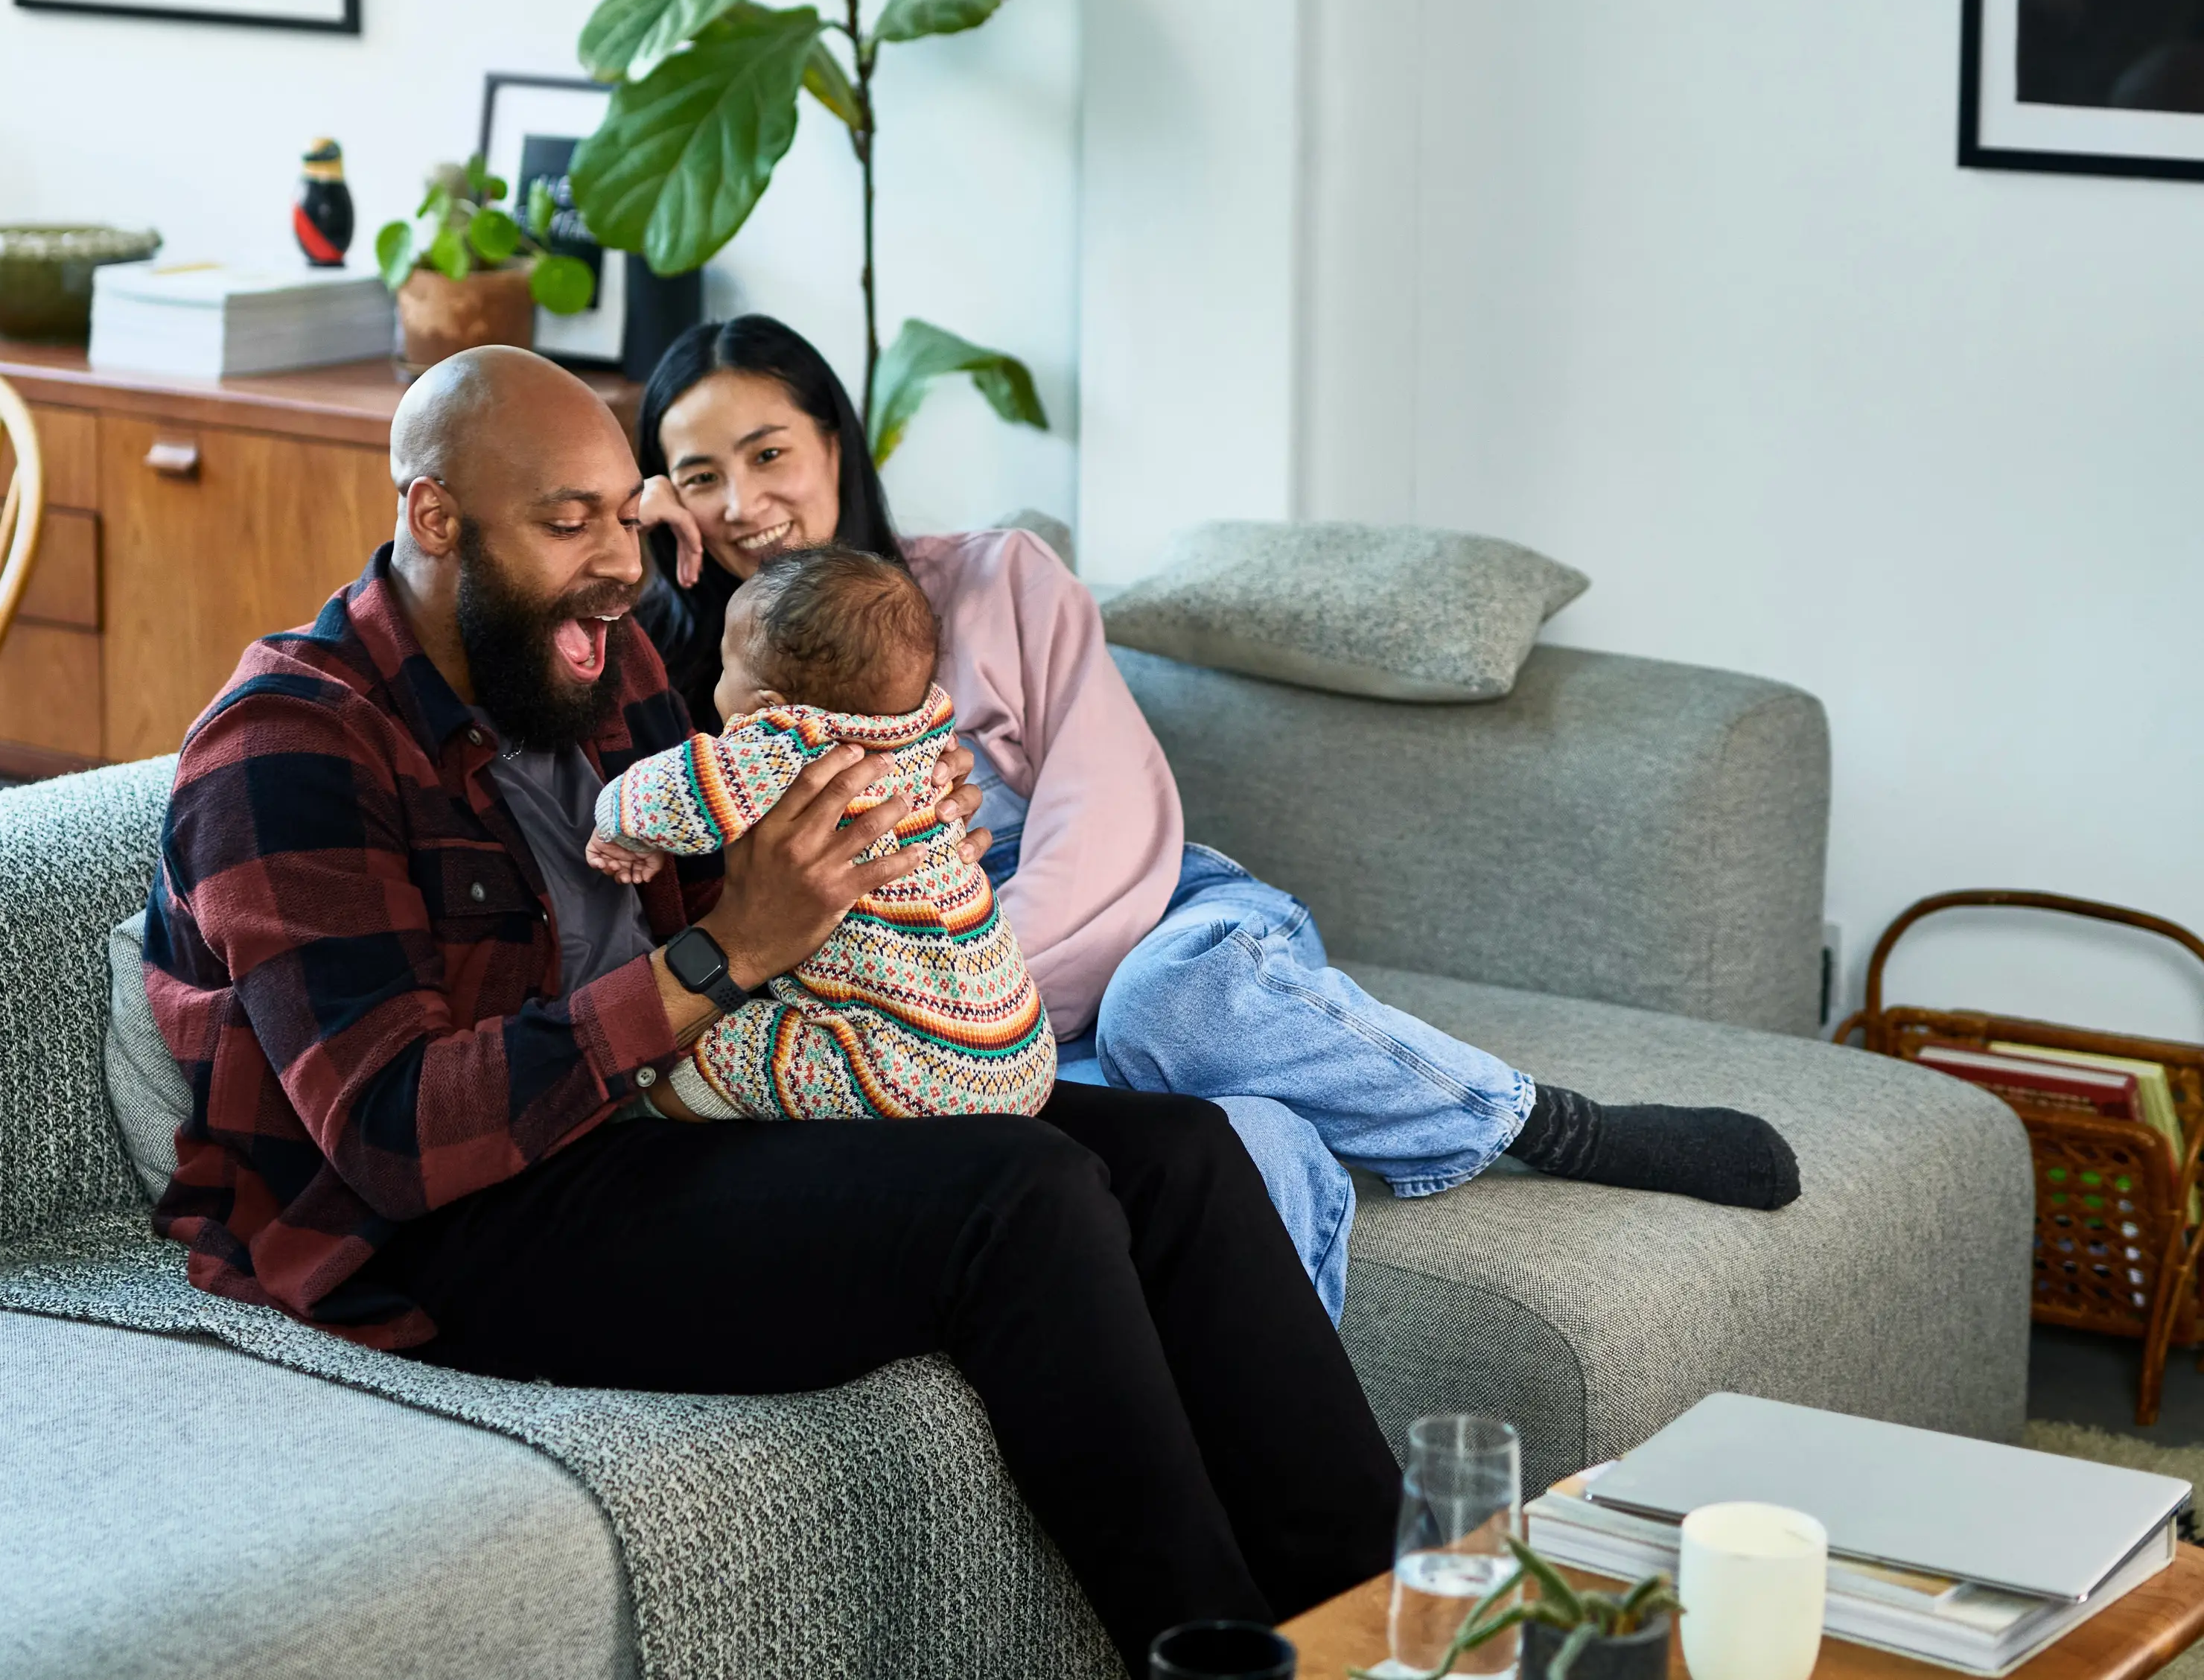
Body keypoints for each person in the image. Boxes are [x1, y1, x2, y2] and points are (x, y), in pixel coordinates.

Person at [143, 343, 1401, 1668]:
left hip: (663, 1119)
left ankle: (1396, 1632)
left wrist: (885, 840)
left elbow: (747, 797)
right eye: (568, 525)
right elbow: (393, 1132)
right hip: (453, 1227)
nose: (618, 565)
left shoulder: (594, 658)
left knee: (1185, 1155)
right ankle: (1217, 1659)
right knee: (1017, 1195)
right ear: (433, 515)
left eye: (623, 517)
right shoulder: (288, 744)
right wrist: (723, 956)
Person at [632, 314, 1801, 1323]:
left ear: (835, 437)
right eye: (695, 477)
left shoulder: (997, 579)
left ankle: (1547, 1123)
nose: (742, 502)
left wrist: (969, 1006)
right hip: (974, 1039)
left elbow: (1111, 811)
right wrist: (636, 575)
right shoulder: (701, 707)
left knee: (1170, 1003)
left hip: (1141, 927)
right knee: (1242, 1149)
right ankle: (1294, 1529)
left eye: (768, 450)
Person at [590, 543, 1055, 1122]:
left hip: (905, 1071)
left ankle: (650, 1113)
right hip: (1021, 1049)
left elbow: (677, 793)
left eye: (725, 665)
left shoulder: (791, 743)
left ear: (770, 703)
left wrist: (619, 825)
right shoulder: (928, 728)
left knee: (739, 1044)